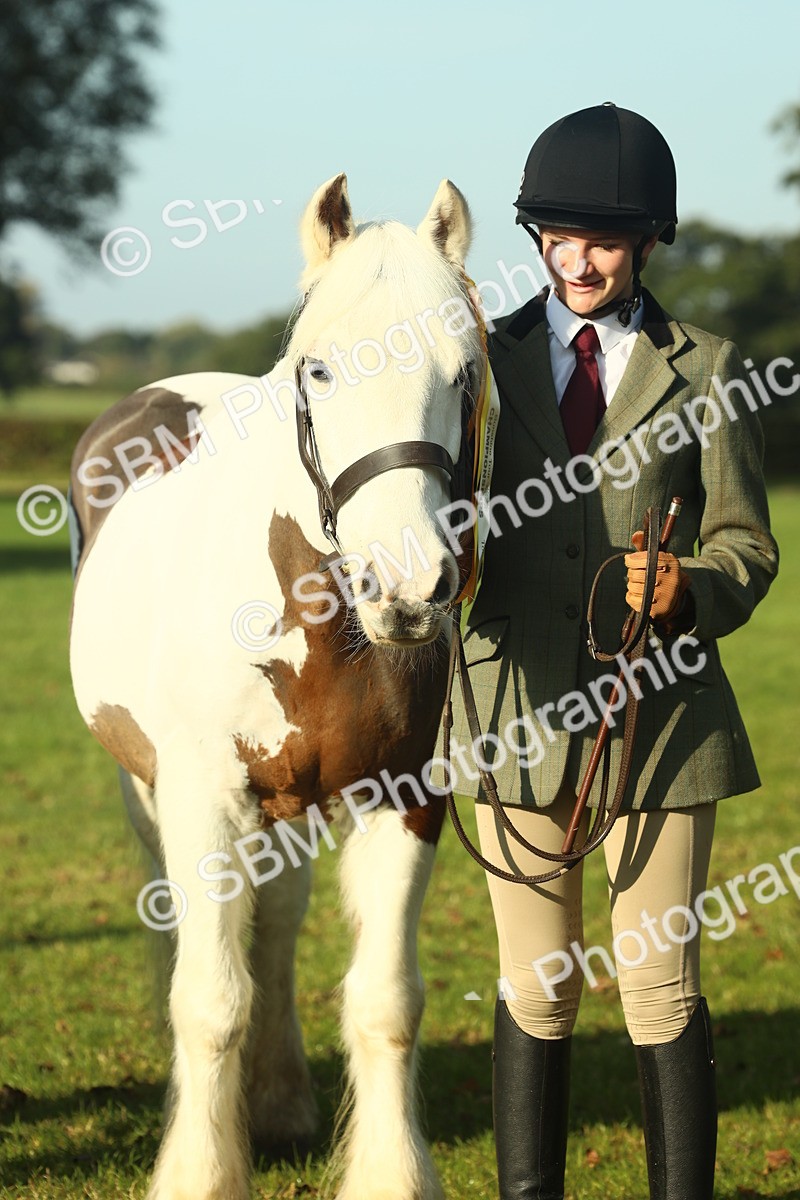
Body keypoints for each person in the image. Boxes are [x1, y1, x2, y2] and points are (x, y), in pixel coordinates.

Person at [454, 102, 779, 1199]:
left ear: (645, 242)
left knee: (658, 988)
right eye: (558, 238)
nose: (577, 262)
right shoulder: (480, 365)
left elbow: (746, 545)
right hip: (511, 712)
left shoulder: (710, 369)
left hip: (660, 719)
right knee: (536, 987)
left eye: (601, 242)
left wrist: (692, 587)